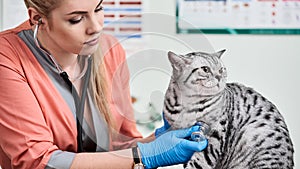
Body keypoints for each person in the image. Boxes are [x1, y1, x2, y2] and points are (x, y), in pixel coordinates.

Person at [0, 0, 208, 168]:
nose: (97, 27)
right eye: (77, 19)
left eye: (99, 8)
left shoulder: (109, 49)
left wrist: (154, 141)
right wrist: (144, 155)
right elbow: (38, 161)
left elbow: (119, 145)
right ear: (37, 18)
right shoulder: (7, 57)